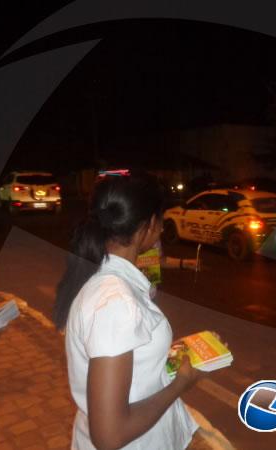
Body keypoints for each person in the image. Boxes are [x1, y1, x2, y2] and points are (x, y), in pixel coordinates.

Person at [54, 174, 202, 450]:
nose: (161, 230)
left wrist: (173, 353)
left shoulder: (108, 282)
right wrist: (180, 384)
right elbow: (110, 435)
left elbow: (128, 354)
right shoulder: (115, 301)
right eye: (161, 220)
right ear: (147, 227)